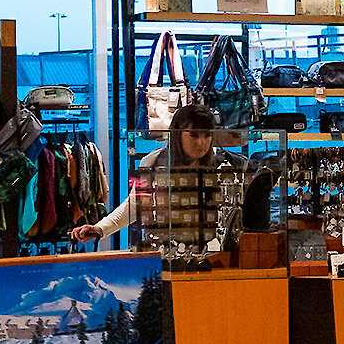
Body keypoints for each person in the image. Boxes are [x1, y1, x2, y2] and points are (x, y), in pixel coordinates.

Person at [70, 105, 246, 249]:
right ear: (177, 133)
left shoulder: (230, 165)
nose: (201, 142)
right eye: (193, 135)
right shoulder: (152, 162)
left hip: (219, 257)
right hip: (169, 257)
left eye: (207, 135)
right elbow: (135, 205)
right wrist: (100, 228)